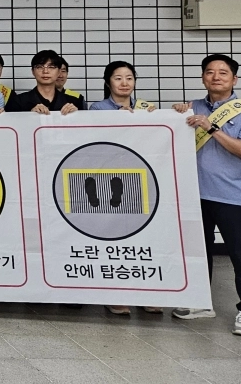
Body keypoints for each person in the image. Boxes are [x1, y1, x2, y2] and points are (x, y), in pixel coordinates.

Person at [170, 54, 241, 337]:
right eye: (210, 72)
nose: (216, 77)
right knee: (198, 252)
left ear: (234, 79)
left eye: (223, 72)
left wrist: (210, 127)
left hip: (231, 196)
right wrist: (176, 114)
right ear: (203, 78)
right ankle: (200, 303)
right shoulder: (192, 107)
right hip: (194, 194)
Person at [90, 61, 159, 316]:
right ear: (108, 82)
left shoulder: (146, 109)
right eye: (118, 78)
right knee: (112, 235)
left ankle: (146, 292)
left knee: (142, 236)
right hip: (108, 179)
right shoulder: (97, 109)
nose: (124, 83)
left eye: (129, 78)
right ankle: (115, 294)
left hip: (139, 178)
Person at [5, 50, 80, 115]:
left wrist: (77, 114)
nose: (45, 71)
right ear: (33, 71)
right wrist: (29, 116)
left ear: (59, 72)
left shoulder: (73, 102)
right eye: (40, 67)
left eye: (51, 67)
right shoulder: (17, 102)